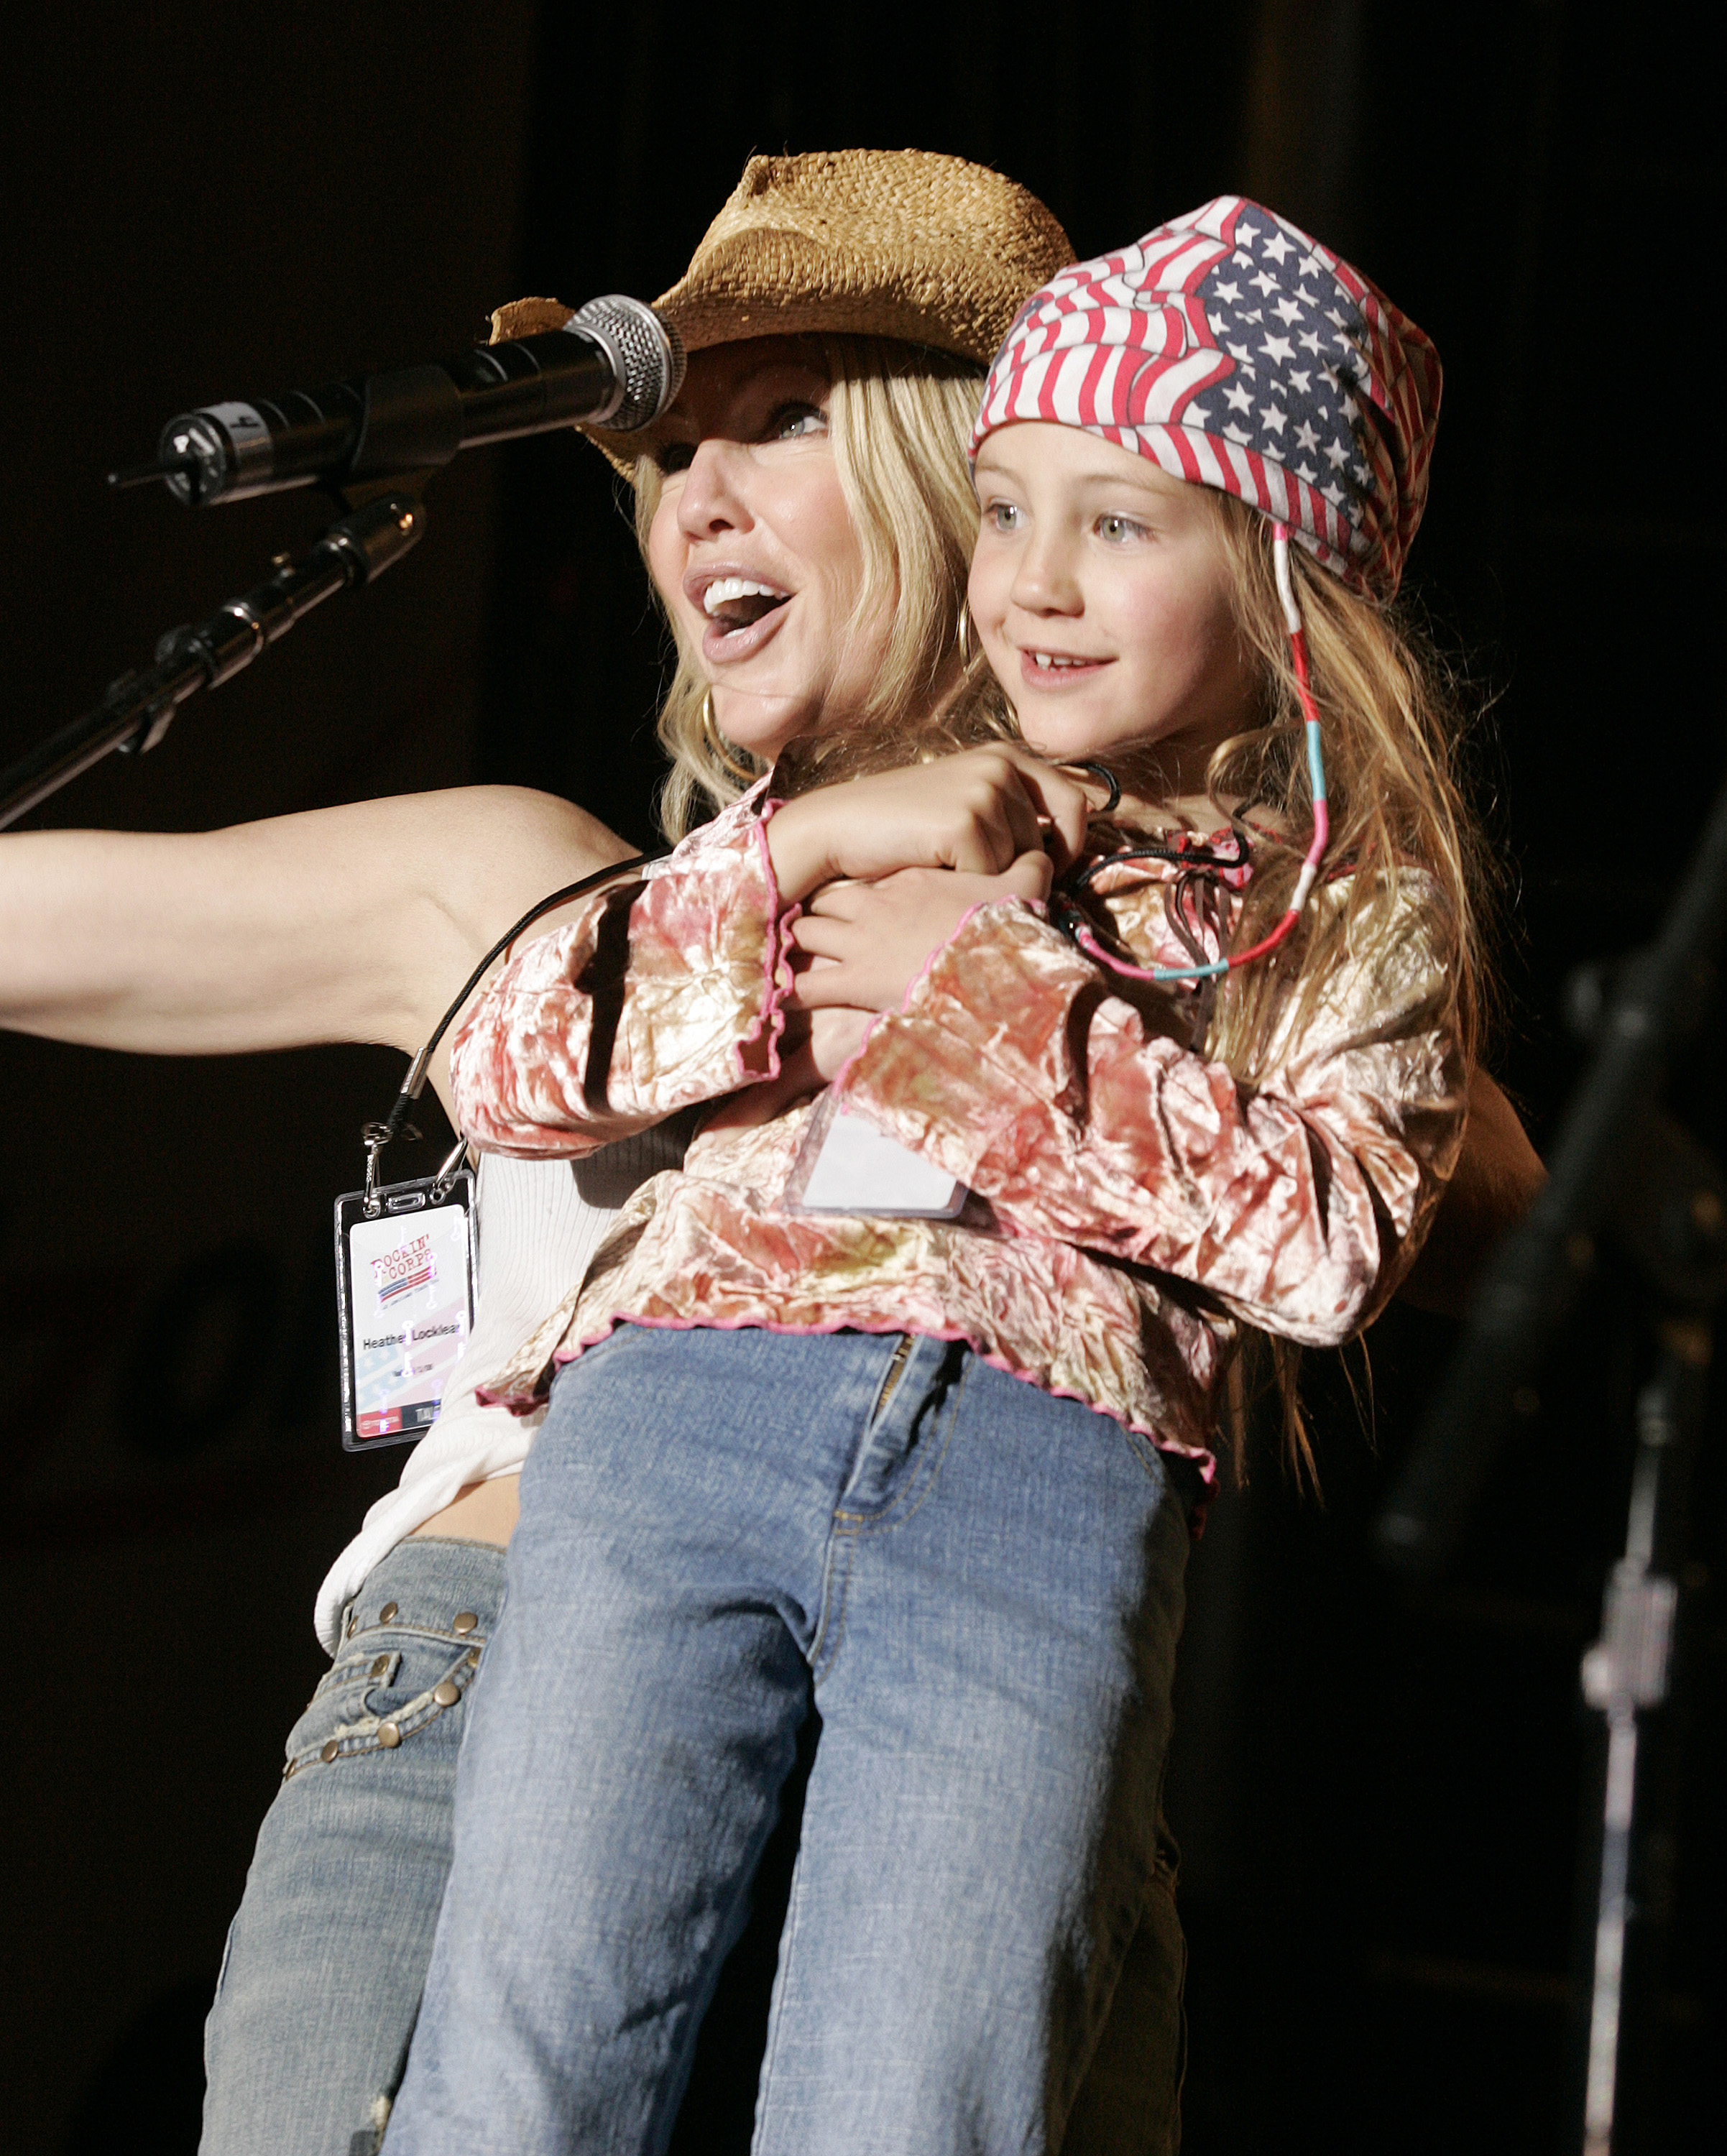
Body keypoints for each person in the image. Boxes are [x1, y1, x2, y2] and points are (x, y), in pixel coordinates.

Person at [0, 155, 1535, 2154]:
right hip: (532, 1639)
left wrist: (1010, 975)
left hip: (1014, 1617)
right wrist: (807, 866)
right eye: (669, 454)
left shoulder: (1242, 912)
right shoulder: (566, 879)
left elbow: (1432, 1186)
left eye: (785, 419)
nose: (694, 494)